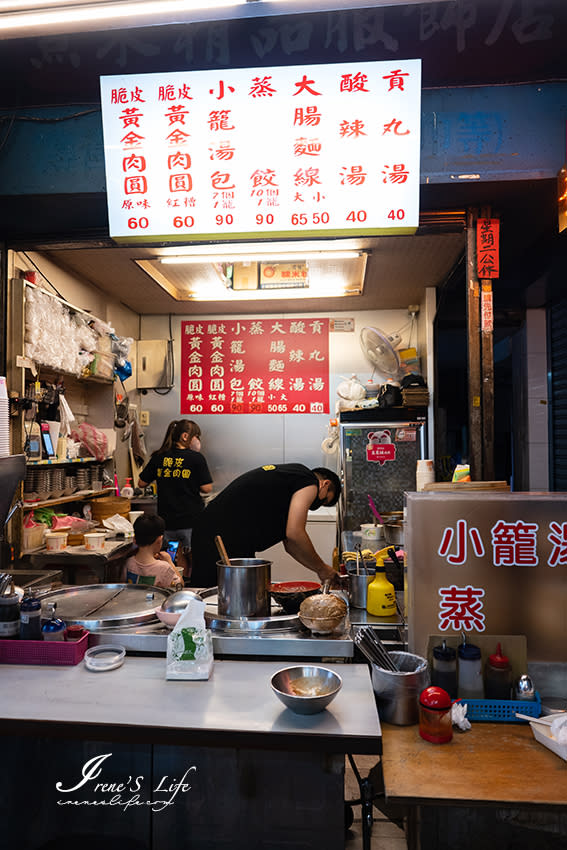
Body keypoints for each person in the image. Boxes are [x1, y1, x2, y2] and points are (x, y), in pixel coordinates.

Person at [190, 463, 341, 589]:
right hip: (219, 538)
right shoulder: (308, 480)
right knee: (215, 597)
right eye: (324, 500)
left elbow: (292, 545)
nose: (316, 505)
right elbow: (295, 533)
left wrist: (320, 570)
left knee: (233, 597)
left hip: (218, 533)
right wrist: (322, 568)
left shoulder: (287, 482)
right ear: (325, 484)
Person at [138, 419, 213, 579]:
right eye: (196, 436)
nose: (198, 441)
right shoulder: (196, 458)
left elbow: (141, 482)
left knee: (174, 558)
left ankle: (178, 587)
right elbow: (207, 488)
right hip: (191, 521)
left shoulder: (159, 457)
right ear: (185, 436)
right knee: (194, 558)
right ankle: (194, 590)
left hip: (167, 522)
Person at [123, 513, 183, 589]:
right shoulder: (165, 568)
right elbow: (180, 586)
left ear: (134, 540)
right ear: (160, 540)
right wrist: (170, 562)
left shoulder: (128, 563)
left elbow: (123, 586)